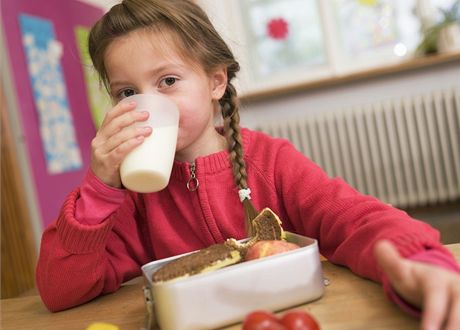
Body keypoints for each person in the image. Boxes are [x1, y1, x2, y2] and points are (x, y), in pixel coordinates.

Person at [36, 0, 460, 328]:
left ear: (215, 81)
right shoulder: (129, 198)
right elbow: (60, 290)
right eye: (128, 93)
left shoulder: (269, 162)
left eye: (167, 81)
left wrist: (422, 262)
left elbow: (354, 219)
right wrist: (99, 188)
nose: (147, 105)